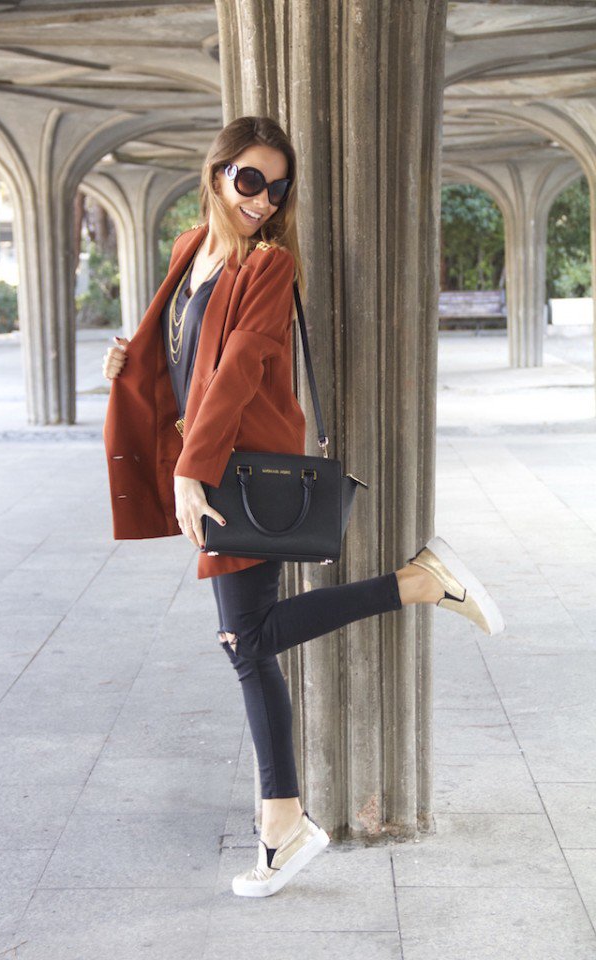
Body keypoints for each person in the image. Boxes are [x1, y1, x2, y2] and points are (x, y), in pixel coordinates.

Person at [102, 115, 505, 899]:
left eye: (276, 187)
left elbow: (245, 366)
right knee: (245, 640)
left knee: (245, 640)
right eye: (250, 180)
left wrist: (193, 472)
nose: (262, 198)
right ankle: (284, 818)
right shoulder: (192, 249)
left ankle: (415, 587)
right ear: (218, 174)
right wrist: (127, 361)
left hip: (233, 466)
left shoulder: (269, 263)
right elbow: (180, 354)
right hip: (208, 459)